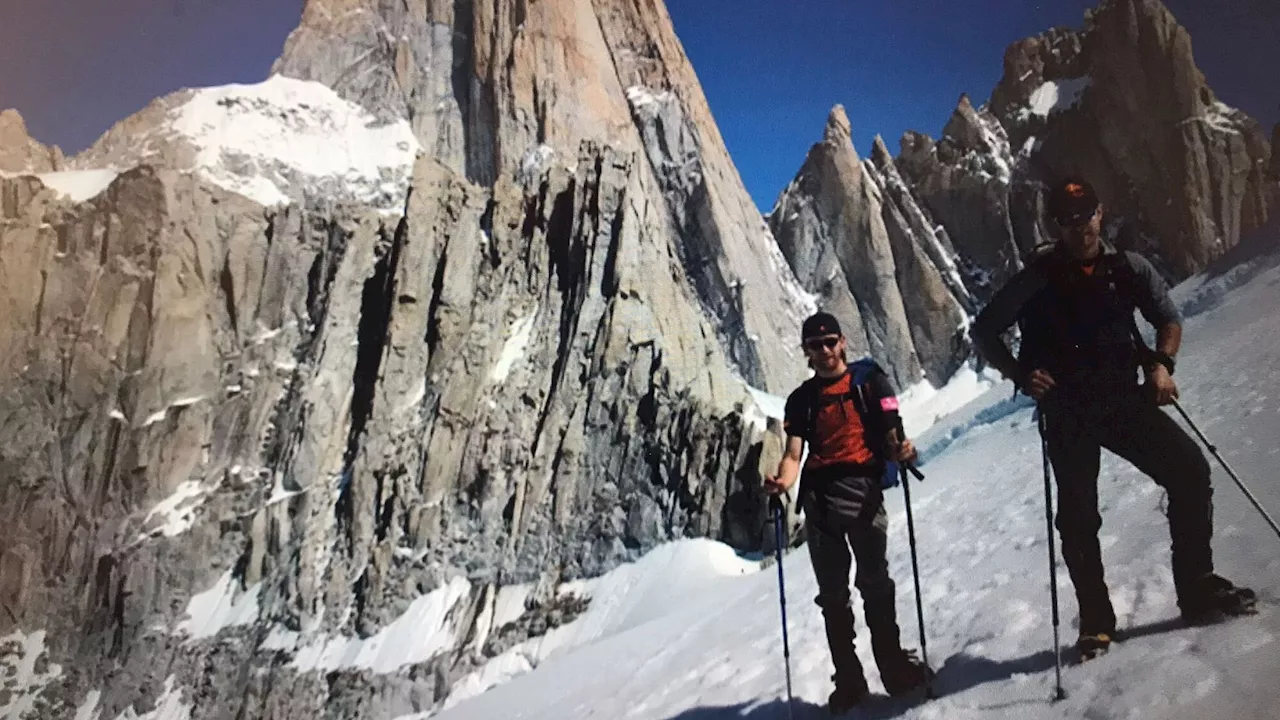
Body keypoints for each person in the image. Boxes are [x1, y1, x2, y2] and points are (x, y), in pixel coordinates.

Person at [969, 176, 1256, 661]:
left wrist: (1162, 366)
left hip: (1123, 399)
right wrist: (1022, 374)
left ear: (1101, 214)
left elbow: (1168, 319)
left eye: (1086, 215)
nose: (1080, 227)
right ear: (1056, 224)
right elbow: (984, 332)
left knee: (1189, 471)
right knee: (1078, 518)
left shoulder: (1127, 269)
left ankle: (1197, 585)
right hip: (1068, 410)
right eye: (1068, 219)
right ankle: (1097, 623)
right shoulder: (1036, 278)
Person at [764, 312, 932, 712]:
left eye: (830, 342)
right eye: (815, 345)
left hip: (864, 496)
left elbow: (893, 435)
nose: (824, 351)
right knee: (835, 597)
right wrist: (783, 482)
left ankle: (890, 668)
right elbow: (793, 454)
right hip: (820, 503)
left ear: (842, 343)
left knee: (873, 585)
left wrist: (904, 451)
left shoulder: (871, 382)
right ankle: (853, 679)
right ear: (806, 352)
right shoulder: (802, 400)